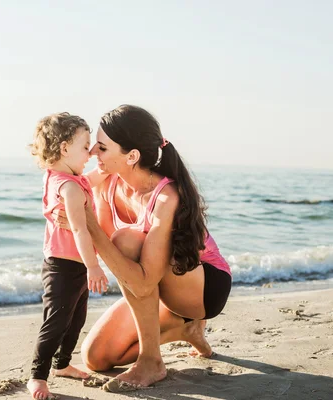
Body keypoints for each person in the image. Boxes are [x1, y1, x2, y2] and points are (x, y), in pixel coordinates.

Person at [55, 105, 232, 390]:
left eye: (102, 148)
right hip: (155, 287)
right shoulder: (106, 183)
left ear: (132, 156)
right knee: (96, 358)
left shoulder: (166, 197)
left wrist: (88, 221)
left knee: (125, 239)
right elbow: (67, 191)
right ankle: (185, 329)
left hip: (202, 286)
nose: (92, 154)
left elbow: (142, 279)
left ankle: (152, 362)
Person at [27, 112, 109, 400]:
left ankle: (62, 365)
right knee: (57, 322)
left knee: (77, 319)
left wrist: (102, 151)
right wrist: (94, 267)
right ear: (64, 149)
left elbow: (102, 173)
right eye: (85, 146)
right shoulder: (70, 187)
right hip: (63, 267)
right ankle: (38, 376)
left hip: (74, 266)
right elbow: (80, 231)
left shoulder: (66, 177)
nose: (89, 153)